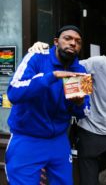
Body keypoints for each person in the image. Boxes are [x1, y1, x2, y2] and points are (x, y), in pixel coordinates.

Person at [29, 24, 106, 185]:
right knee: (88, 181)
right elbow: (70, 65)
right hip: (89, 130)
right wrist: (43, 50)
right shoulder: (99, 63)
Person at [5, 25, 90, 185]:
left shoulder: (80, 71)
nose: (73, 43)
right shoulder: (37, 58)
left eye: (78, 42)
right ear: (56, 42)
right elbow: (13, 92)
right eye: (68, 38)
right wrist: (51, 77)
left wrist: (79, 103)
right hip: (27, 138)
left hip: (58, 140)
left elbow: (84, 111)